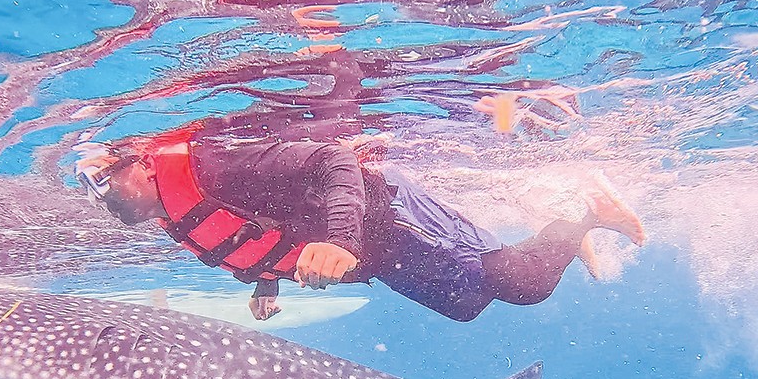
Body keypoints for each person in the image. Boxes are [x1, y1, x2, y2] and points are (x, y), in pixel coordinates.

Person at [74, 128, 645, 322]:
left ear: (141, 162)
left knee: (524, 288)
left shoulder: (213, 165)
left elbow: (334, 159)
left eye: (104, 180)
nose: (104, 199)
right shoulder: (176, 211)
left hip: (387, 218)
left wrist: (339, 241)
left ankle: (589, 218)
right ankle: (568, 233)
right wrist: (266, 282)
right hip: (374, 254)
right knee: (467, 304)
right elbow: (258, 229)